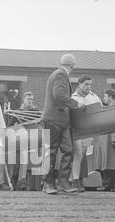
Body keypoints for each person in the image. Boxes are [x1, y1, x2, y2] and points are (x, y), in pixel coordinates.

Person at [41, 54, 83, 194]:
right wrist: (77, 103)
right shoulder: (60, 75)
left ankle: (62, 184)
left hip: (61, 120)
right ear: (73, 66)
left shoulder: (58, 74)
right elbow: (59, 96)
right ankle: (48, 184)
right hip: (54, 119)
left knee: (68, 150)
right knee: (52, 152)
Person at [70, 75, 101, 192]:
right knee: (77, 153)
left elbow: (100, 109)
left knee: (82, 154)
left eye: (90, 85)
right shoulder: (72, 97)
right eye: (86, 84)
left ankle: (77, 180)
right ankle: (75, 181)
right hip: (76, 130)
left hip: (88, 131)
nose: (88, 87)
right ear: (79, 84)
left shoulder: (94, 97)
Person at [92, 89, 115, 191]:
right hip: (105, 140)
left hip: (111, 140)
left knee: (114, 164)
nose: (104, 98)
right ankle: (109, 185)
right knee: (107, 164)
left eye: (105, 96)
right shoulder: (109, 108)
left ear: (111, 97)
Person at [7, 91, 40, 190]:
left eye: (32, 99)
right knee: (20, 158)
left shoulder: (35, 111)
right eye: (28, 99)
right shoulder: (18, 112)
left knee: (31, 158)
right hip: (22, 139)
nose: (30, 101)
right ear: (24, 100)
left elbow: (41, 122)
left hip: (33, 139)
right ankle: (19, 182)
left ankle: (28, 183)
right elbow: (10, 126)